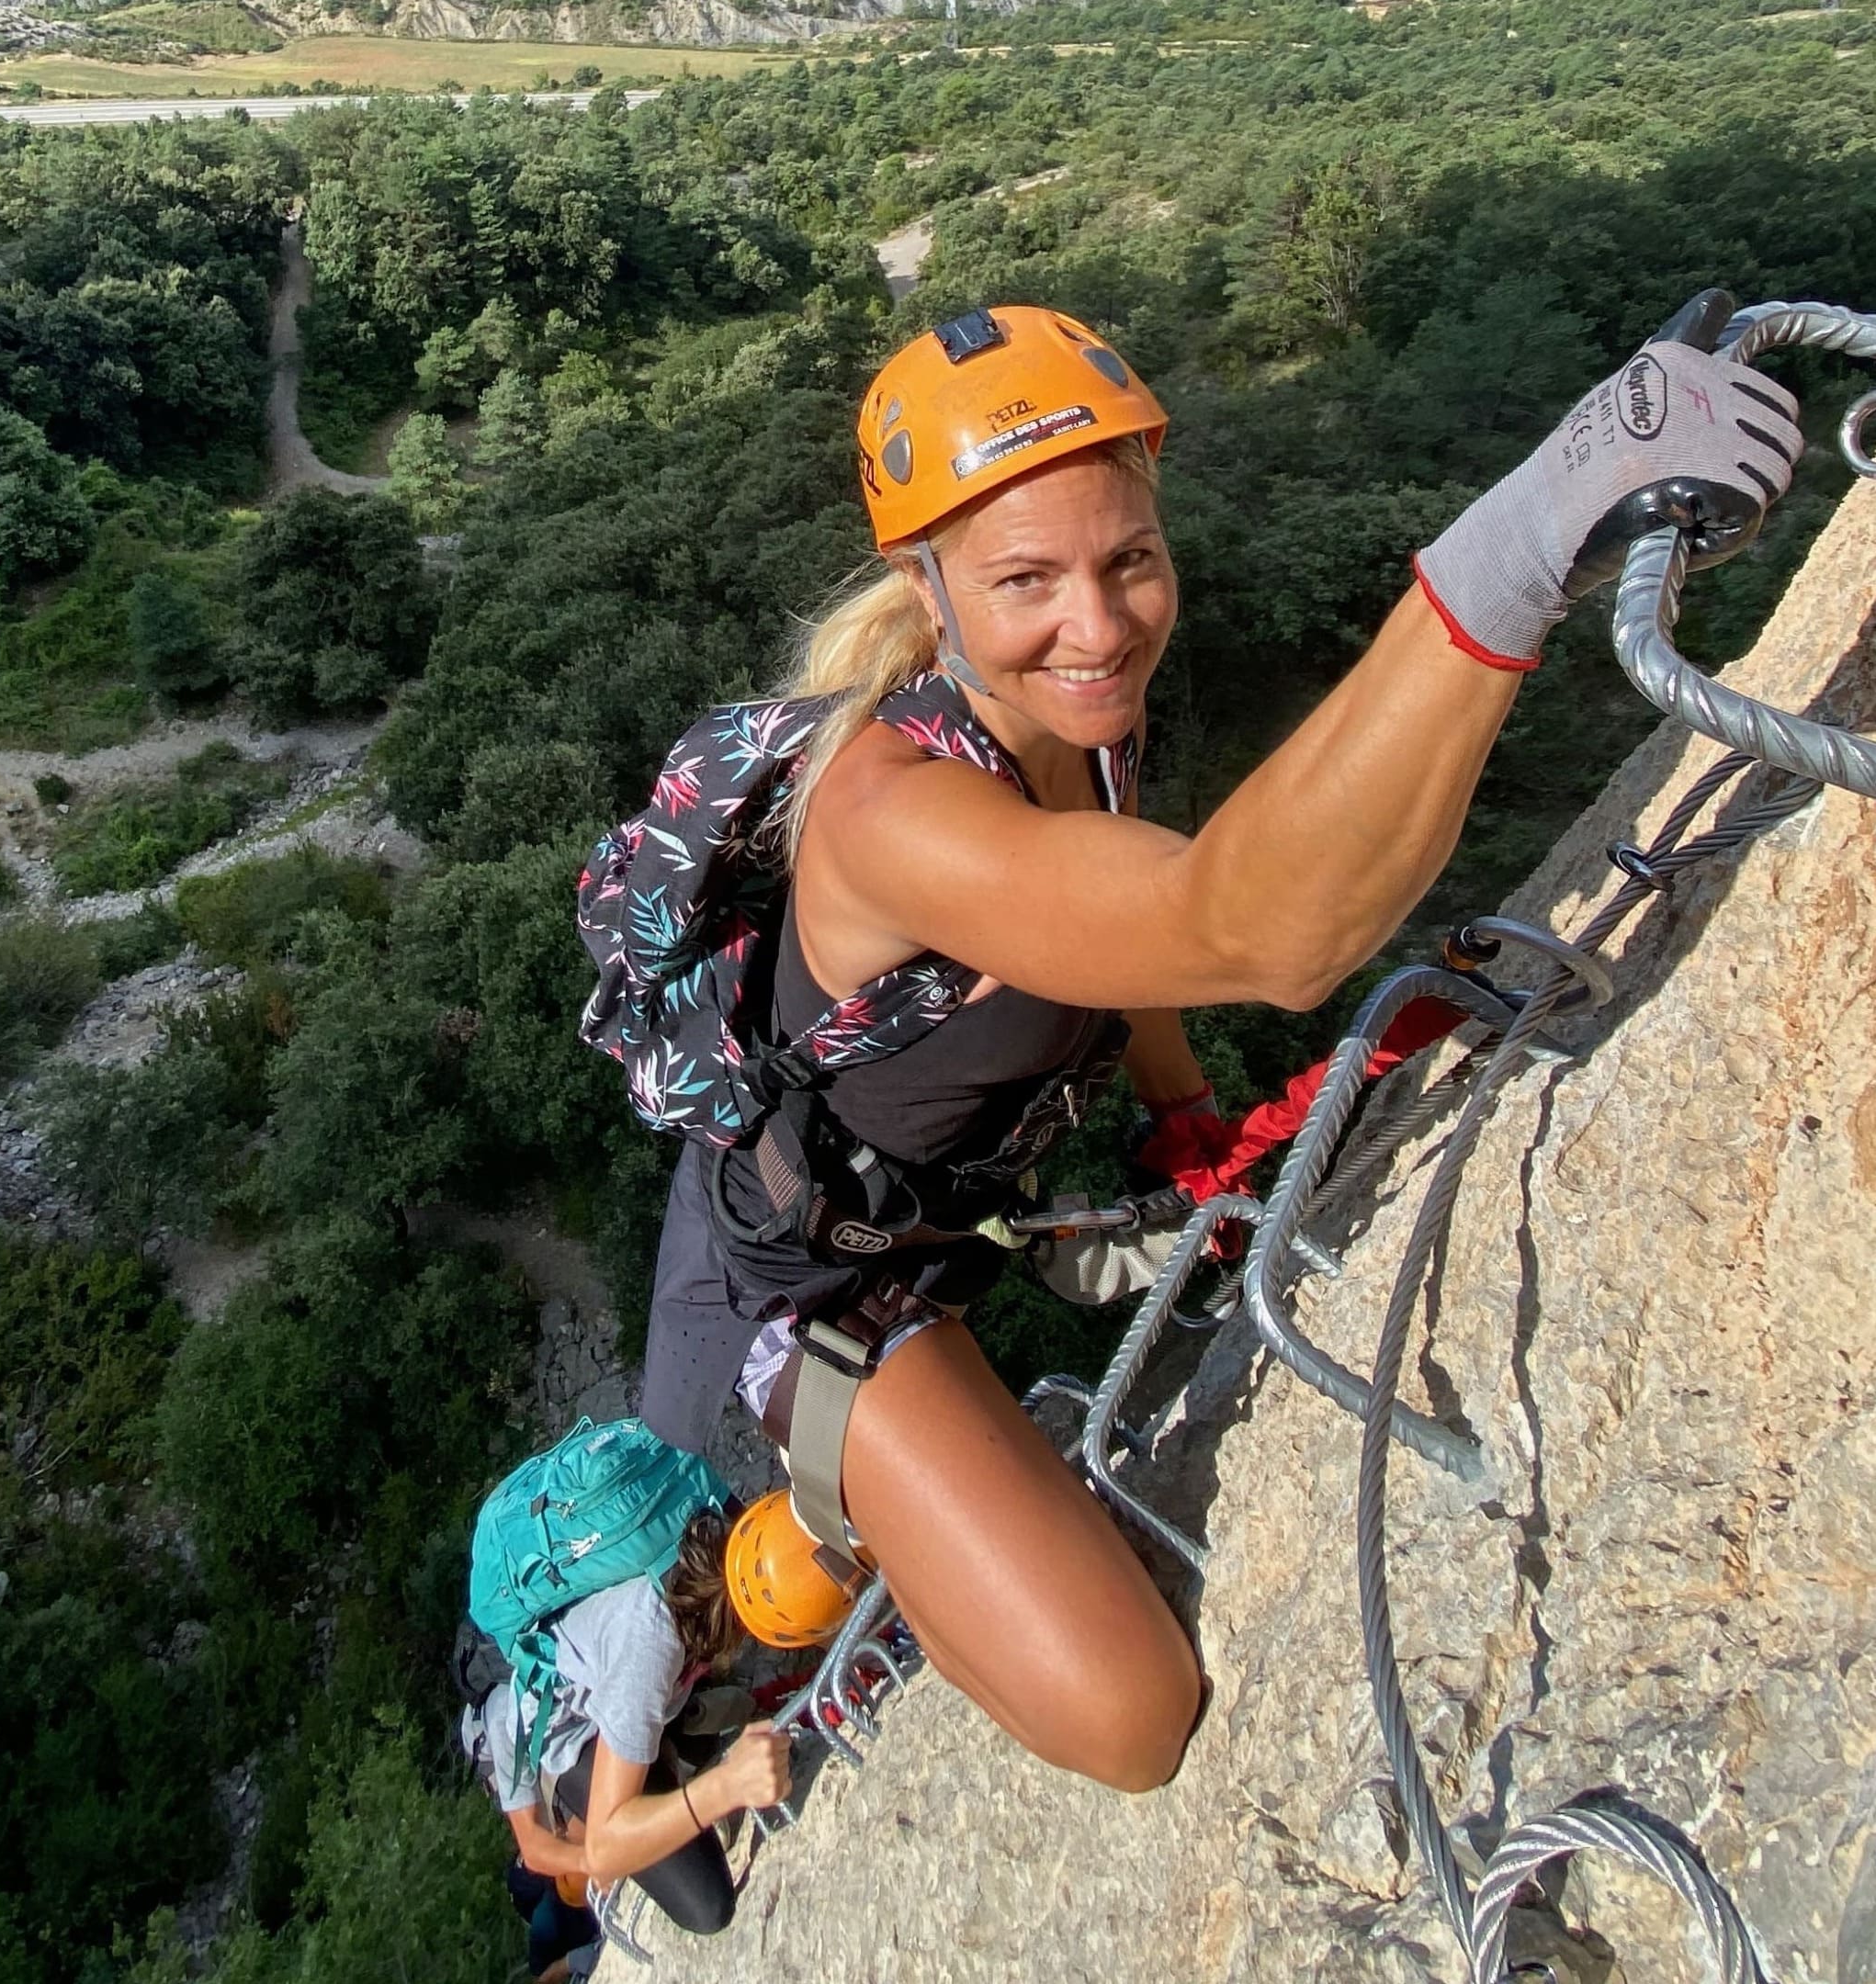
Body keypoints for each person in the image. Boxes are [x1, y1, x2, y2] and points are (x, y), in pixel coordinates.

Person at [629, 295, 1803, 1795]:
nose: (1100, 623)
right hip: (807, 1299)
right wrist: (1532, 527)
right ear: (924, 590)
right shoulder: (892, 812)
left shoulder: (1071, 719)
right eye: (1025, 579)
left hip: (923, 1210)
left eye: (1128, 558)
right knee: (1128, 1715)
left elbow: (1121, 933)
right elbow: (1245, 925)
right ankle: (812, 1560)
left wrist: (1182, 1125)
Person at [461, 1505, 794, 1941]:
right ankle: (677, 1760)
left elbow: (539, 1850)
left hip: (634, 1680)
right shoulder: (512, 1717)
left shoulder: (515, 1717)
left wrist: (603, 1858)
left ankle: (676, 1759)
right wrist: (600, 1857)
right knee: (705, 1901)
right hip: (620, 1694)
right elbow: (542, 1850)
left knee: (702, 1901)